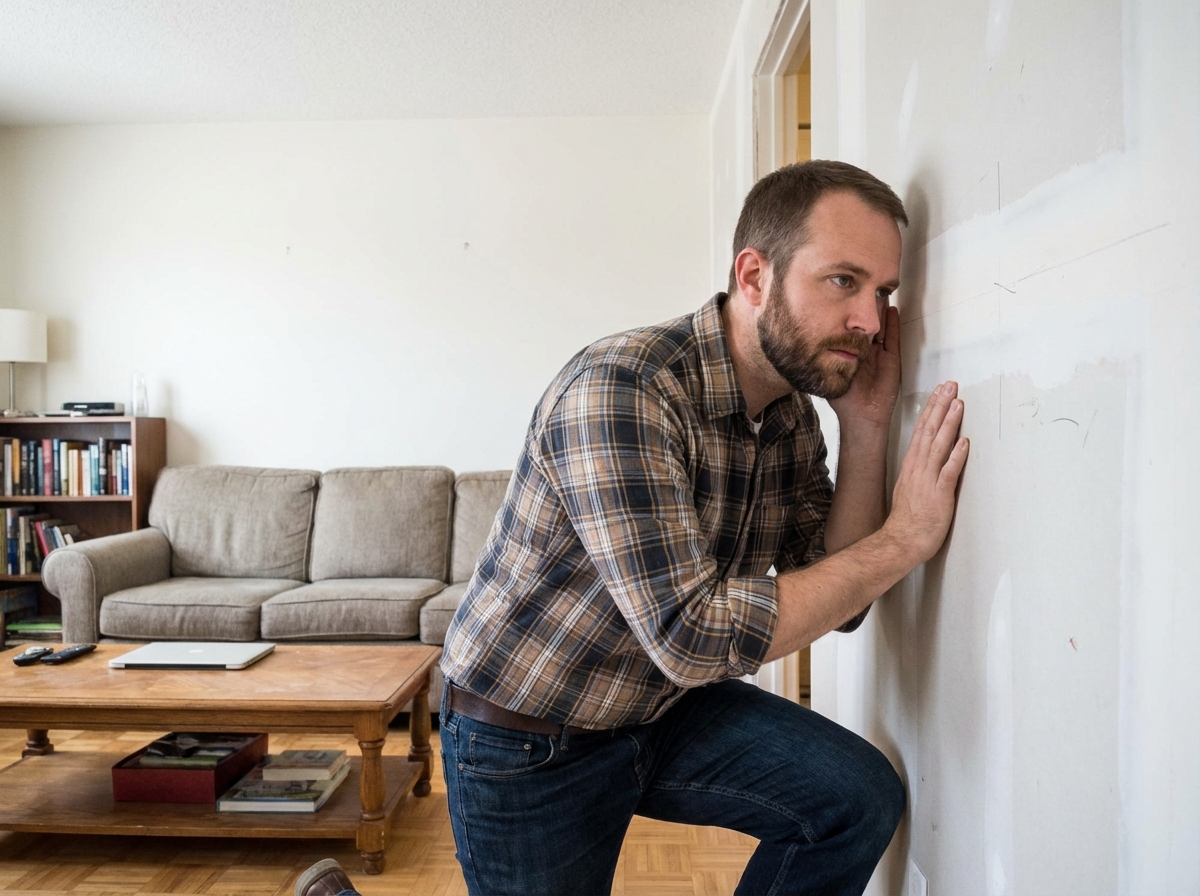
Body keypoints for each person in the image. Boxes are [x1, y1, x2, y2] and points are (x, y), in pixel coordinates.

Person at [439, 160, 969, 896]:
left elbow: (843, 598)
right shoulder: (622, 390)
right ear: (754, 277)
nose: (871, 322)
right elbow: (692, 637)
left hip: (660, 707)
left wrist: (868, 425)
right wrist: (905, 537)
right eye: (843, 282)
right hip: (530, 734)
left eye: (882, 293)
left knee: (854, 798)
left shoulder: (789, 417)